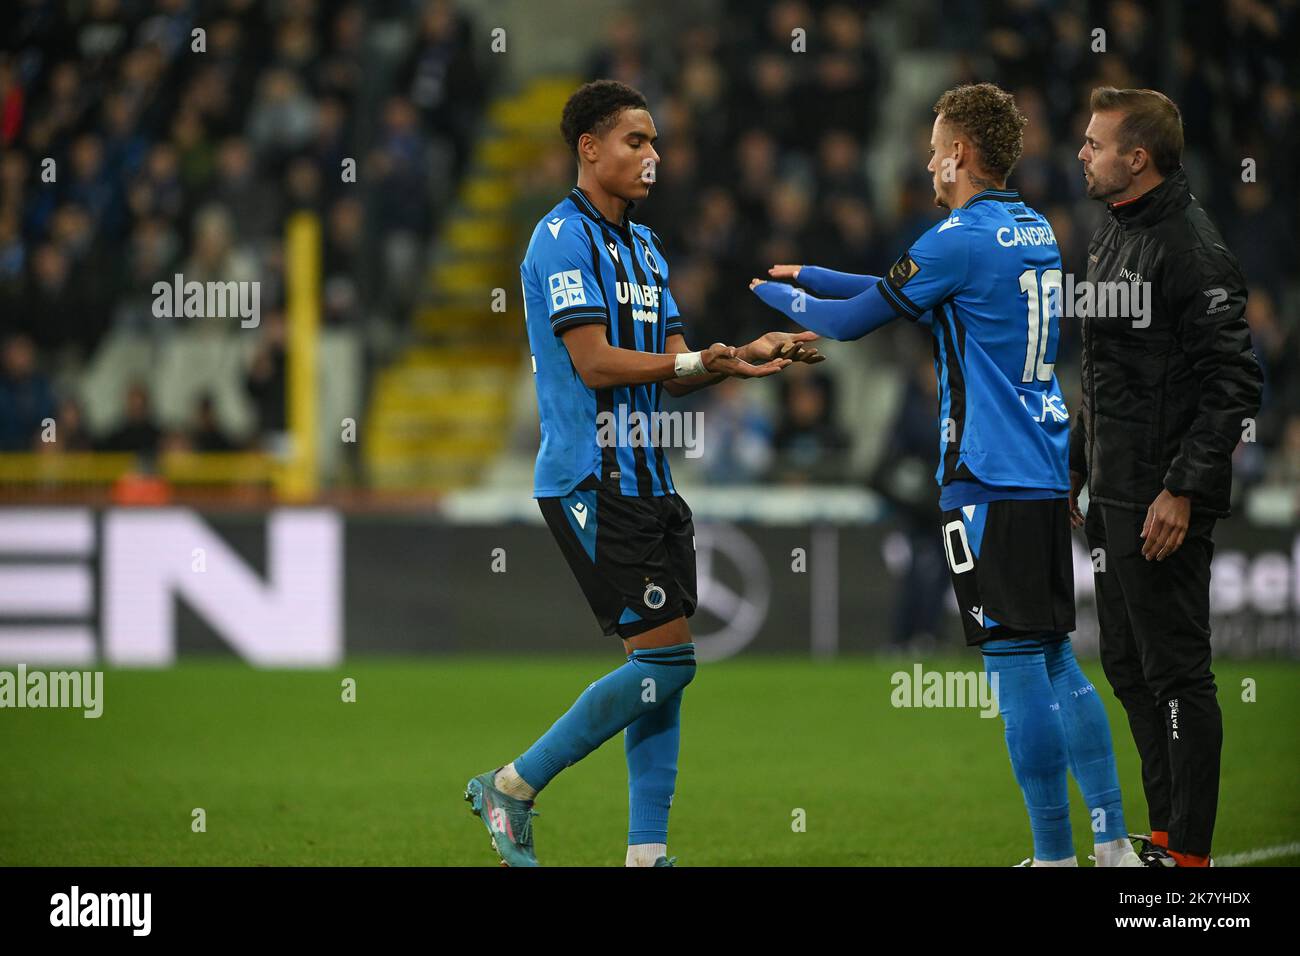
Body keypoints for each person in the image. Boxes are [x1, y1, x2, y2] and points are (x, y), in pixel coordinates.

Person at [752, 82, 1141, 867]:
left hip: (985, 476)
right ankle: (1110, 842)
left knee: (1012, 665)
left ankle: (1053, 855)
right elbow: (896, 292)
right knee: (1058, 657)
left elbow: (857, 321)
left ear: (960, 153)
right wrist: (817, 273)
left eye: (935, 146)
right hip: (1040, 468)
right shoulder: (1030, 229)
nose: (928, 161)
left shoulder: (955, 238)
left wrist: (773, 294)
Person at [464, 80, 823, 867]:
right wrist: (697, 357)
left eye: (655, 142)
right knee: (670, 661)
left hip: (649, 480)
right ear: (589, 149)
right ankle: (512, 786)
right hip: (588, 479)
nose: (653, 156)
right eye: (636, 141)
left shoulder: (646, 247)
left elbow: (673, 367)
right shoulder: (559, 239)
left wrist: (742, 355)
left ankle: (646, 853)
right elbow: (592, 363)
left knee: (662, 670)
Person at [1072, 87, 1264, 867]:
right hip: (1114, 493)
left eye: (1095, 143)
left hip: (1162, 502)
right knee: (1128, 665)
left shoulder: (1191, 248)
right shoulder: (1111, 234)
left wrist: (1181, 487)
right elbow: (1104, 373)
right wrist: (1078, 471)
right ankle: (1162, 832)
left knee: (1179, 673)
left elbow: (1234, 383)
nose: (1082, 153)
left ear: (1137, 158)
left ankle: (1188, 852)